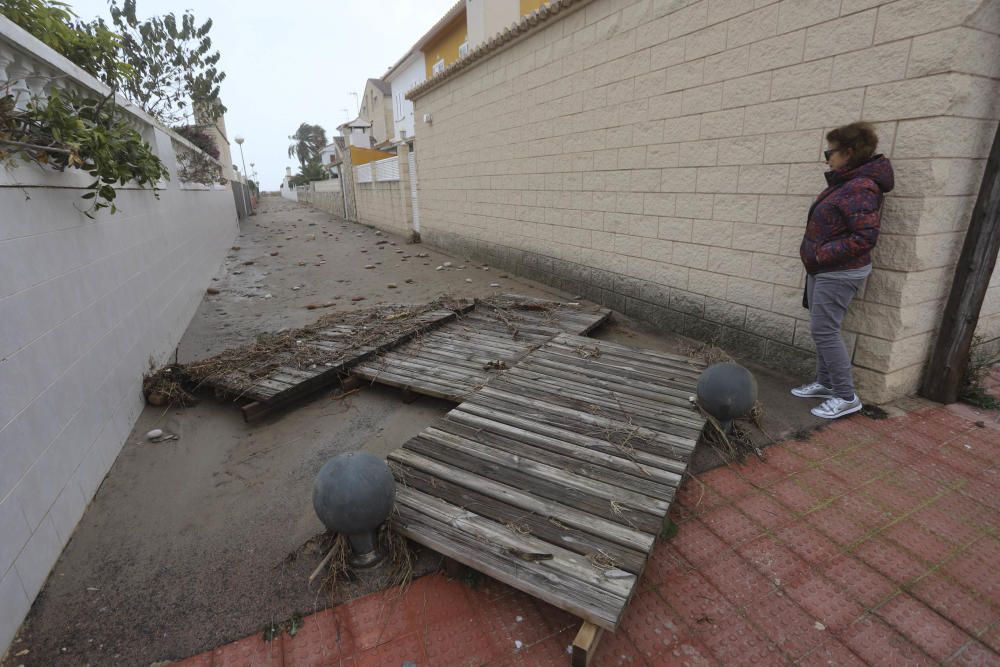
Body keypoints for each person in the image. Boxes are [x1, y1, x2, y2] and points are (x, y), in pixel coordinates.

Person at [793, 122, 894, 419]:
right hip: (823, 269)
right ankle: (825, 383)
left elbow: (865, 238)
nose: (827, 158)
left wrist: (822, 255)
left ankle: (846, 396)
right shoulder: (846, 182)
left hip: (838, 271)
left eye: (831, 152)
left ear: (848, 153)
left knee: (825, 330)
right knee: (821, 327)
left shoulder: (860, 187)